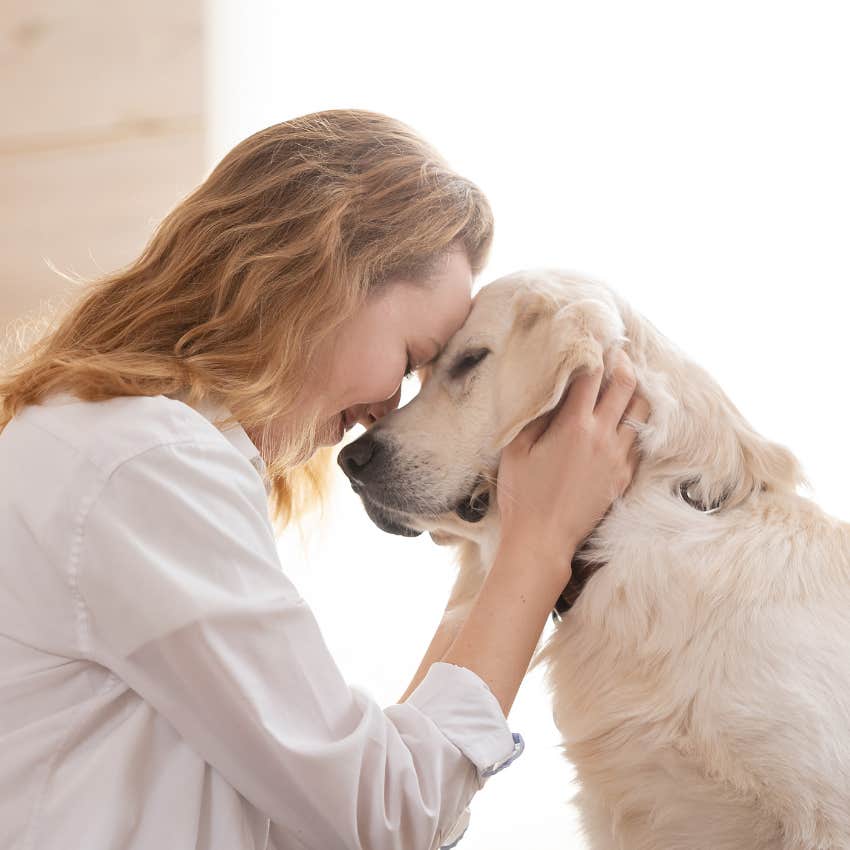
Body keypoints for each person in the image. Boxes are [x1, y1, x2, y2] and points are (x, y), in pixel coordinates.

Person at [0, 109, 648, 850]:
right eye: (409, 360)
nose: (386, 412)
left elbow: (319, 813)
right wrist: (539, 545)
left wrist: (506, 545)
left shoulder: (107, 445)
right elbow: (381, 814)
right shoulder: (144, 464)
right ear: (323, 275)